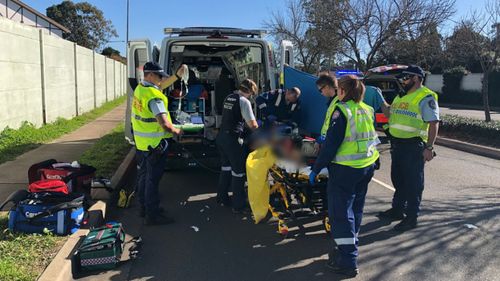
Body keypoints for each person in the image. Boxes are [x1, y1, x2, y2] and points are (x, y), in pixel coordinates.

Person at [309, 75, 380, 277]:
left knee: (340, 214)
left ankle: (348, 260)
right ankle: (347, 248)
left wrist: (316, 168)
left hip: (345, 170)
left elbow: (332, 145)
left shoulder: (341, 111)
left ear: (342, 91)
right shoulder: (366, 109)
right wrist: (375, 159)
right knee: (355, 211)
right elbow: (372, 137)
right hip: (365, 167)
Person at [378, 65, 439, 232]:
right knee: (398, 180)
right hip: (397, 145)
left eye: (406, 77)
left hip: (413, 146)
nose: (403, 80)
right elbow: (391, 115)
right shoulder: (401, 96)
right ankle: (397, 211)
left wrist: (429, 147)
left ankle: (412, 218)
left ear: (417, 78)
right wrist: (380, 101)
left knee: (413, 184)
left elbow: (433, 124)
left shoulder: (425, 97)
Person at [132, 62, 185, 225]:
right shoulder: (154, 97)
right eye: (159, 75)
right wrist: (177, 131)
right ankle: (152, 215)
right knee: (152, 181)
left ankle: (144, 208)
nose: (162, 78)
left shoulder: (141, 89)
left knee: (143, 177)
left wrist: (177, 76)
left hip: (142, 144)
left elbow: (162, 84)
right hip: (155, 145)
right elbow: (164, 124)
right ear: (150, 75)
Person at [216, 79, 259, 214]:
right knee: (238, 172)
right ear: (250, 91)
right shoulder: (244, 101)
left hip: (222, 137)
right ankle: (239, 205)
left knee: (226, 168)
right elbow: (252, 124)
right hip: (233, 140)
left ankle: (222, 198)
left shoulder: (229, 97)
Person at [315, 75, 339, 146]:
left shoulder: (338, 102)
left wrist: (323, 139)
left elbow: (335, 127)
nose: (321, 93)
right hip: (327, 140)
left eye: (320, 90)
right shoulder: (333, 101)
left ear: (327, 86)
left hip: (330, 142)